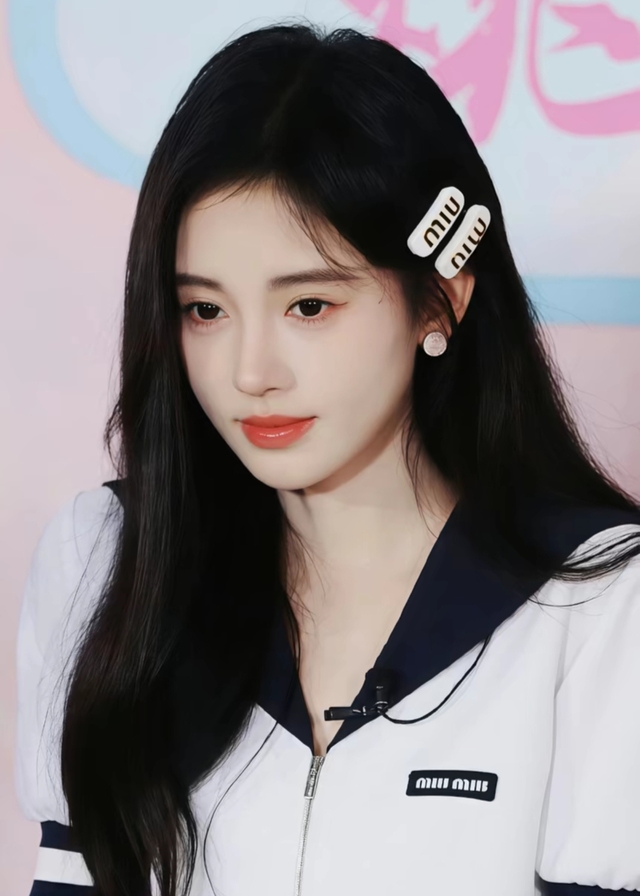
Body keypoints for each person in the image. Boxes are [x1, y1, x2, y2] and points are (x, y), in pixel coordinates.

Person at [14, 20, 640, 896]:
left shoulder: (600, 603)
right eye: (205, 311)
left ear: (440, 300)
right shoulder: (108, 559)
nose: (250, 373)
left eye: (308, 306)